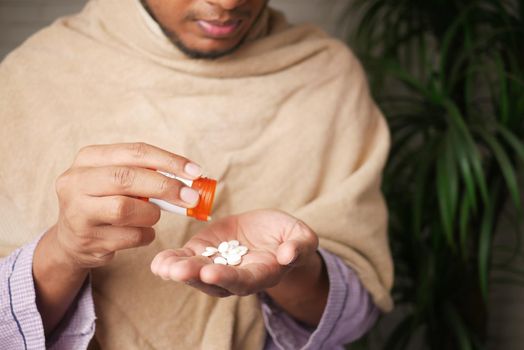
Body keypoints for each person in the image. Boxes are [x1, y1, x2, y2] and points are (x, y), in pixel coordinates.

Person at [0, 0, 394, 349]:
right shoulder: (31, 76)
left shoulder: (327, 74)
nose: (227, 3)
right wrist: (64, 251)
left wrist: (293, 269)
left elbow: (355, 319)